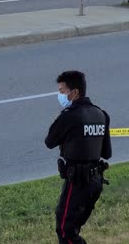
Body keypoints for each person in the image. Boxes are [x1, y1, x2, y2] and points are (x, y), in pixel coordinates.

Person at [45, 71, 112, 244]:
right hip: (95, 181)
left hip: (78, 181)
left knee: (65, 231)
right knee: (72, 229)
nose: (60, 95)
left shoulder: (69, 116)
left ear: (74, 92)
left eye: (62, 91)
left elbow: (50, 141)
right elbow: (106, 153)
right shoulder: (101, 114)